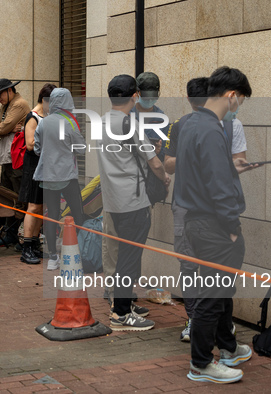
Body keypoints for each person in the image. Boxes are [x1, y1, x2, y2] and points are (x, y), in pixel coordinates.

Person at [164, 77, 259, 343]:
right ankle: (200, 344)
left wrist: (230, 166)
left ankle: (223, 339)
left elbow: (229, 164)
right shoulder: (187, 125)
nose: (238, 105)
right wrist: (232, 228)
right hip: (200, 213)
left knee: (216, 282)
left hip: (208, 212)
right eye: (239, 99)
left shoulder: (228, 125)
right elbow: (211, 180)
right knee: (197, 272)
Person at [97, 74, 171, 331]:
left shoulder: (102, 122)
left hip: (113, 201)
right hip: (134, 201)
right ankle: (120, 314)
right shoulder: (130, 124)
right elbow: (154, 162)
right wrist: (165, 179)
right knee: (130, 257)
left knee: (123, 256)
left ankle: (125, 304)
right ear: (134, 96)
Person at [33, 88, 86, 271]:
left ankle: (53, 258)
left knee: (51, 216)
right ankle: (73, 252)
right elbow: (81, 148)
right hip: (68, 175)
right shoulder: (70, 122)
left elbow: (37, 149)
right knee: (78, 214)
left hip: (47, 176)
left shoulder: (44, 122)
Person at [0, 79, 31, 244]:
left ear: (10, 90)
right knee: (7, 193)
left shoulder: (19, 104)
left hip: (17, 157)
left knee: (17, 195)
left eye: (0, 94)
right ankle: (10, 231)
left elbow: (1, 128)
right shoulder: (5, 105)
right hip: (7, 156)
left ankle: (17, 232)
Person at [19, 83, 56, 265]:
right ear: (44, 100)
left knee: (41, 206)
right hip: (34, 166)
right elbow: (30, 144)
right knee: (33, 207)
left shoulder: (48, 116)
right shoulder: (33, 116)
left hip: (46, 166)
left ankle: (34, 244)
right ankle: (26, 247)